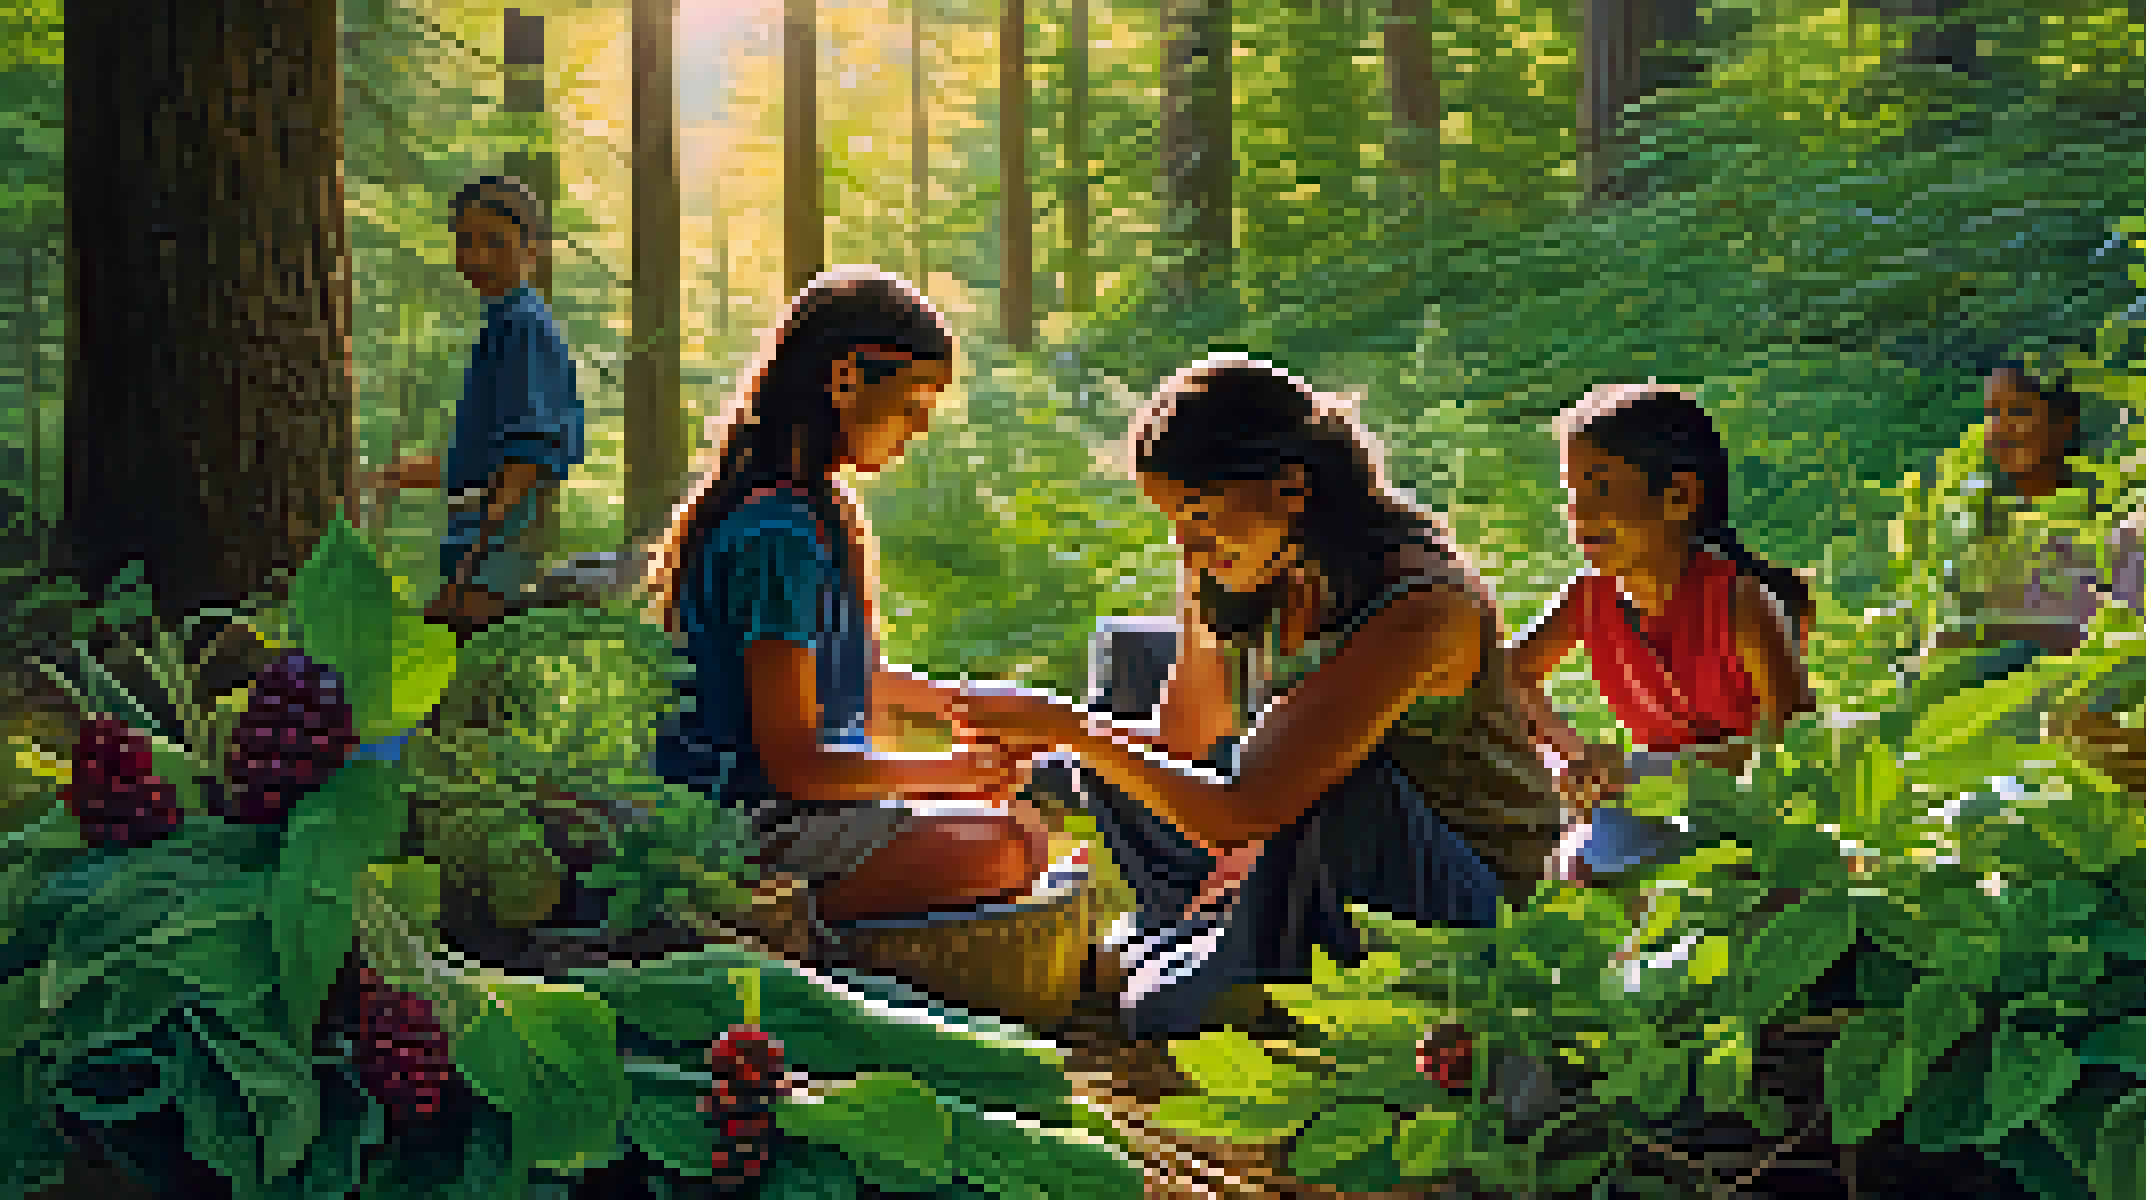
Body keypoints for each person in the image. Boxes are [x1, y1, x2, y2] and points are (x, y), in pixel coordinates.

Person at [952, 356, 1513, 1038]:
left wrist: (1070, 730)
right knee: (1131, 662)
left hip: (1447, 892)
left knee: (1166, 1005)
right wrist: (1054, 748)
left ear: (1291, 490)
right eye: (1172, 522)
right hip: (1289, 842)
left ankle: (1236, 956)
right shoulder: (1259, 567)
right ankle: (1217, 937)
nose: (1187, 547)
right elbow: (1184, 744)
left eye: (1198, 515)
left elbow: (1242, 811)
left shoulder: (1421, 609)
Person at [645, 267, 1049, 939]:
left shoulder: (825, 508)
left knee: (1022, 833)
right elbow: (796, 765)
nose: (922, 424)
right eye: (914, 400)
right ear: (844, 379)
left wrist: (966, 707)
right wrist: (950, 772)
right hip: (740, 823)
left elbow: (853, 678)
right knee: (1003, 847)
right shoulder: (776, 535)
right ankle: (747, 916)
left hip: (802, 809)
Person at [1508, 384, 1815, 880]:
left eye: (1602, 488)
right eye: (1573, 493)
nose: (1580, 514)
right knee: (1569, 872)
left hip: (1753, 809)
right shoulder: (1588, 598)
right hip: (1655, 802)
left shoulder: (1739, 603)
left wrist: (1648, 773)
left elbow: (1798, 747)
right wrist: (1579, 757)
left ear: (1678, 498)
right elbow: (1509, 679)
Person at [359, 175, 585, 641]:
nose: (476, 258)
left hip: (496, 559)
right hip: (480, 553)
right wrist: (390, 476)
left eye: (494, 243)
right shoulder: (503, 324)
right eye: (465, 242)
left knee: (465, 669)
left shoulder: (525, 328)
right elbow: (480, 461)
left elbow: (527, 457)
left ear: (533, 249)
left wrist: (476, 562)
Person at [1931, 364, 2146, 666]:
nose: (2000, 429)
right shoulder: (1979, 529)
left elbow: (2135, 640)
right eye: (1992, 414)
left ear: (2064, 423)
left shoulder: (2119, 524)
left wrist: (2018, 629)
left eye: (2019, 412)